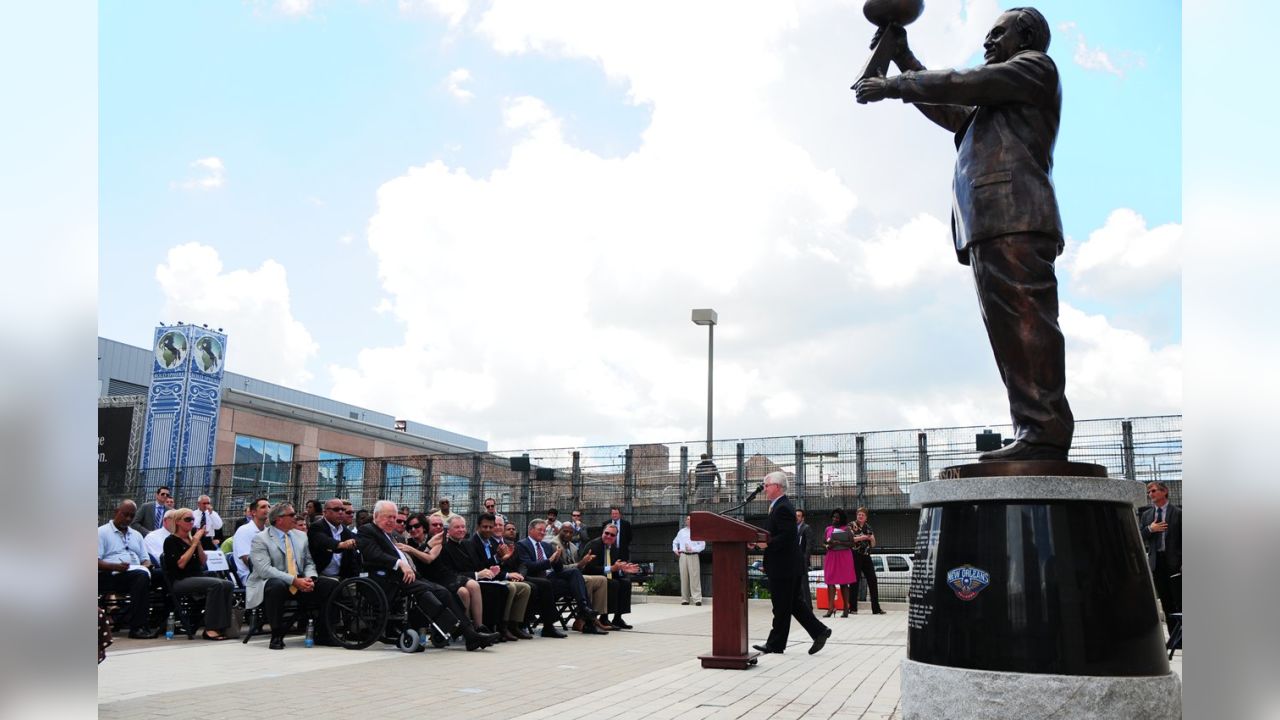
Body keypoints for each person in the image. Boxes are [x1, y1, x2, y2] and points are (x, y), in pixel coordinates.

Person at [854, 7, 1073, 462]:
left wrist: (894, 87)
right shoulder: (998, 97)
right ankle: (1033, 429)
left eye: (997, 34)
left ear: (1026, 35)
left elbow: (962, 83)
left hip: (1018, 217)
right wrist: (903, 58)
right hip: (990, 222)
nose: (988, 43)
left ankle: (1045, 429)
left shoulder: (1034, 68)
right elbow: (953, 110)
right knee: (1010, 334)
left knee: (1028, 327)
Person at [357, 501, 498, 651]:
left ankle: (468, 633)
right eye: (388, 517)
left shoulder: (393, 536)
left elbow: (419, 558)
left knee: (442, 592)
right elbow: (373, 554)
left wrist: (418, 554)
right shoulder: (368, 531)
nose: (392, 520)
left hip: (409, 576)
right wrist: (399, 563)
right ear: (376, 516)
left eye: (394, 517)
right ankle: (463, 632)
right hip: (386, 578)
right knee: (427, 592)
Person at [752, 472, 830, 656]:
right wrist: (757, 541)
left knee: (781, 605)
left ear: (777, 486)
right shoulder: (778, 506)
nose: (764, 488)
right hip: (786, 566)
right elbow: (777, 533)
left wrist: (768, 543)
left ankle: (775, 644)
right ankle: (819, 631)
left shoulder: (783, 508)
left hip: (784, 567)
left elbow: (788, 536)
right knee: (793, 604)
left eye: (767, 485)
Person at [246, 502, 338, 650]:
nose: (296, 517)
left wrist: (310, 578)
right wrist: (294, 580)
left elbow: (308, 562)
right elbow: (265, 570)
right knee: (276, 585)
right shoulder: (261, 539)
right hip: (270, 583)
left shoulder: (301, 536)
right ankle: (276, 634)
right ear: (279, 519)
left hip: (299, 580)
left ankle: (323, 633)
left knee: (331, 585)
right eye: (292, 515)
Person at [516, 519, 604, 635]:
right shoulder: (522, 544)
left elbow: (559, 569)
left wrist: (556, 560)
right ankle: (552, 626)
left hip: (550, 578)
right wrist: (549, 561)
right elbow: (528, 566)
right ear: (531, 530)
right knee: (570, 585)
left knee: (575, 575)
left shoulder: (546, 546)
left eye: (544, 530)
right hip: (534, 578)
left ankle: (584, 611)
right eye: (540, 530)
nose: (543, 533)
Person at [162, 508, 235, 640]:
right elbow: (181, 564)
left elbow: (202, 561)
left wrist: (198, 543)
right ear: (178, 522)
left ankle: (223, 626)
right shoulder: (171, 541)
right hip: (181, 579)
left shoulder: (192, 540)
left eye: (192, 519)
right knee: (216, 584)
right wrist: (193, 544)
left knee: (228, 584)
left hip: (197, 576)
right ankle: (210, 628)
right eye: (187, 519)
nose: (191, 522)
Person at [97, 500, 158, 638]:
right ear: (116, 512)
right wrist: (115, 566)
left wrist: (147, 565)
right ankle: (137, 627)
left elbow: (144, 557)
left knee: (165, 576)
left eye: (132, 516)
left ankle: (161, 620)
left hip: (136, 571)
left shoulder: (136, 535)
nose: (128, 519)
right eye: (125, 515)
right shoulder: (101, 532)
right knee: (140, 577)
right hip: (111, 574)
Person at [469, 512, 535, 640]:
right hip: (480, 579)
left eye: (491, 527)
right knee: (509, 588)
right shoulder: (473, 543)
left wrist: (500, 560)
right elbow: (479, 566)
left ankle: (514, 625)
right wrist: (499, 559)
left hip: (495, 577)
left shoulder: (492, 543)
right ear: (478, 527)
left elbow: (514, 564)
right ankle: (501, 627)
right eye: (485, 527)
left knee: (526, 588)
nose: (488, 529)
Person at [1138, 482, 1182, 636]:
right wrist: (1151, 529)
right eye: (1149, 492)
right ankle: (1176, 639)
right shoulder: (1147, 515)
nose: (1150, 494)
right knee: (1166, 601)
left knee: (1180, 601)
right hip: (1157, 564)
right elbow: (1139, 536)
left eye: (1154, 491)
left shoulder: (1178, 513)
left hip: (1175, 564)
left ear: (1164, 492)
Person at [581, 523, 640, 630]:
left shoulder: (613, 548)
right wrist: (611, 569)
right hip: (593, 577)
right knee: (613, 583)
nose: (608, 536)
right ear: (602, 533)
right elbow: (589, 568)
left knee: (625, 582)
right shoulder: (593, 546)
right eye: (606, 533)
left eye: (612, 535)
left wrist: (623, 570)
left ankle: (618, 617)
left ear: (615, 537)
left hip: (607, 576)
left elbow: (615, 567)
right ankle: (604, 617)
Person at [552, 522, 610, 629]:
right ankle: (582, 618)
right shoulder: (554, 544)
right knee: (588, 580)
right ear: (560, 530)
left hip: (574, 575)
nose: (568, 534)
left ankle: (595, 616)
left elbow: (578, 567)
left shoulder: (573, 547)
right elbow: (559, 568)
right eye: (565, 531)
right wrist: (580, 564)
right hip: (560, 577)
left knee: (602, 580)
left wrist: (584, 563)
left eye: (570, 532)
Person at [309, 498, 360, 579]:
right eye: (336, 509)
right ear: (325, 512)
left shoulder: (345, 531)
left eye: (342, 509)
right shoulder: (317, 526)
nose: (340, 512)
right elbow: (324, 542)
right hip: (320, 576)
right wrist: (341, 544)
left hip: (341, 578)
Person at [822, 509, 857, 619]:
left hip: (844, 557)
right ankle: (831, 608)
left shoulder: (846, 529)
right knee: (830, 582)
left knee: (844, 583)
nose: (834, 519)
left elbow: (852, 543)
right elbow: (823, 542)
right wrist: (828, 545)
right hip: (831, 555)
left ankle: (846, 608)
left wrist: (840, 542)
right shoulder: (828, 529)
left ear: (841, 518)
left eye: (837, 517)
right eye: (833, 517)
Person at [850, 507, 886, 615]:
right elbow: (850, 539)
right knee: (854, 581)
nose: (860, 516)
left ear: (866, 517)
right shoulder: (851, 525)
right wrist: (863, 537)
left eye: (862, 515)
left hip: (866, 555)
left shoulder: (868, 527)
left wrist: (871, 538)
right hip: (855, 555)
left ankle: (876, 608)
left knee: (873, 580)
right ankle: (853, 608)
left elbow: (873, 544)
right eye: (859, 514)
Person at [232, 497, 270, 585]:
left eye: (269, 506)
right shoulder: (244, 530)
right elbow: (248, 561)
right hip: (249, 576)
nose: (267, 509)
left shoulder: (268, 532)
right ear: (253, 512)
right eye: (263, 507)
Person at [671, 514, 705, 606]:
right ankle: (685, 599)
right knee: (684, 577)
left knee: (695, 577)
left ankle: (697, 599)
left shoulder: (698, 532)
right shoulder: (681, 531)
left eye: (690, 519)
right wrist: (675, 549)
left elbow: (702, 545)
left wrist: (693, 549)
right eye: (687, 519)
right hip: (683, 556)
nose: (688, 521)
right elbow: (675, 541)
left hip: (693, 555)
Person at [796, 509, 814, 609]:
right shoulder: (793, 528)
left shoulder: (806, 528)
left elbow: (809, 545)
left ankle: (808, 606)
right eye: (795, 515)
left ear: (802, 518)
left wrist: (805, 559)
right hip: (794, 560)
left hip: (802, 560)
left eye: (798, 516)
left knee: (804, 584)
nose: (796, 517)